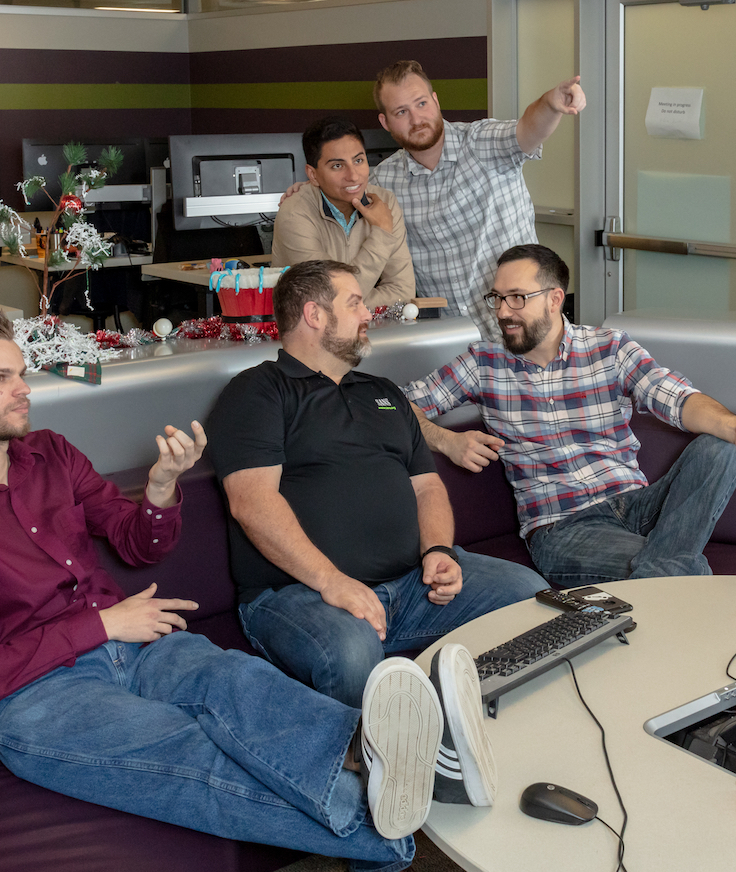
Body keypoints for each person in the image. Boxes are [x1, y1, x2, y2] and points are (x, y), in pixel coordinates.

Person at [0, 309, 497, 870]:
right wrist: (101, 625)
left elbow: (138, 545)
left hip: (133, 644)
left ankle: (387, 752)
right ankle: (387, 820)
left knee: (238, 682)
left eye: (20, 374)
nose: (23, 388)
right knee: (190, 753)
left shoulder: (50, 453)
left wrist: (160, 487)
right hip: (34, 693)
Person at [207, 260, 547, 760]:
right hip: (300, 594)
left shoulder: (383, 393)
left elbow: (427, 488)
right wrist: (331, 580)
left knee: (530, 598)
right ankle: (386, 770)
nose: (369, 313)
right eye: (355, 303)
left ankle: (491, 741)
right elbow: (252, 502)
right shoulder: (258, 391)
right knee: (350, 653)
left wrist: (438, 551)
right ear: (314, 315)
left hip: (410, 586)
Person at [403, 244, 736, 588]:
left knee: (721, 447)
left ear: (554, 299)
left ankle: (670, 575)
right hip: (563, 530)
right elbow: (393, 405)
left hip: (638, 504)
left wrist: (735, 428)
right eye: (498, 298)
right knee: (674, 568)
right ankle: (675, 574)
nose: (503, 311)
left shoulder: (610, 347)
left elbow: (675, 397)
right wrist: (445, 440)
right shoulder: (482, 364)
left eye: (517, 298)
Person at [369, 60, 586, 340]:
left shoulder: (480, 141)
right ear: (385, 122)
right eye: (401, 111)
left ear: (436, 101)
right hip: (453, 343)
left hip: (528, 330)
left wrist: (550, 104)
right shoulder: (383, 181)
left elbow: (528, 129)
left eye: (421, 103)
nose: (416, 118)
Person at [272, 116, 415, 309]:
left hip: (372, 325)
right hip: (308, 328)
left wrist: (349, 303)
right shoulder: (295, 214)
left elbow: (403, 291)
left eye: (358, 160)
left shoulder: (385, 202)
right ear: (313, 175)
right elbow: (329, 297)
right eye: (337, 166)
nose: (353, 176)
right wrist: (381, 232)